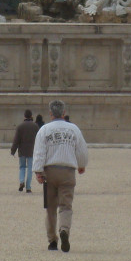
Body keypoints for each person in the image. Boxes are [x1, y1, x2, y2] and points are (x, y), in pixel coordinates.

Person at [33, 100, 89, 253]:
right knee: (65, 206)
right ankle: (64, 229)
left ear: (50, 114)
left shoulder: (44, 130)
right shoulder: (73, 129)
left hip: (49, 172)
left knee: (50, 208)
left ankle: (52, 241)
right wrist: (82, 164)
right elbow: (81, 150)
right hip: (67, 171)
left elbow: (39, 151)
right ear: (64, 113)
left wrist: (38, 171)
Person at [11, 109, 39, 193]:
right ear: (31, 116)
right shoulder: (35, 126)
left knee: (22, 167)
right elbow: (39, 139)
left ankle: (21, 181)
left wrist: (13, 150)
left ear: (24, 116)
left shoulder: (20, 126)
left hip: (22, 150)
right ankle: (28, 187)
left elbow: (16, 140)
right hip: (32, 150)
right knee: (30, 169)